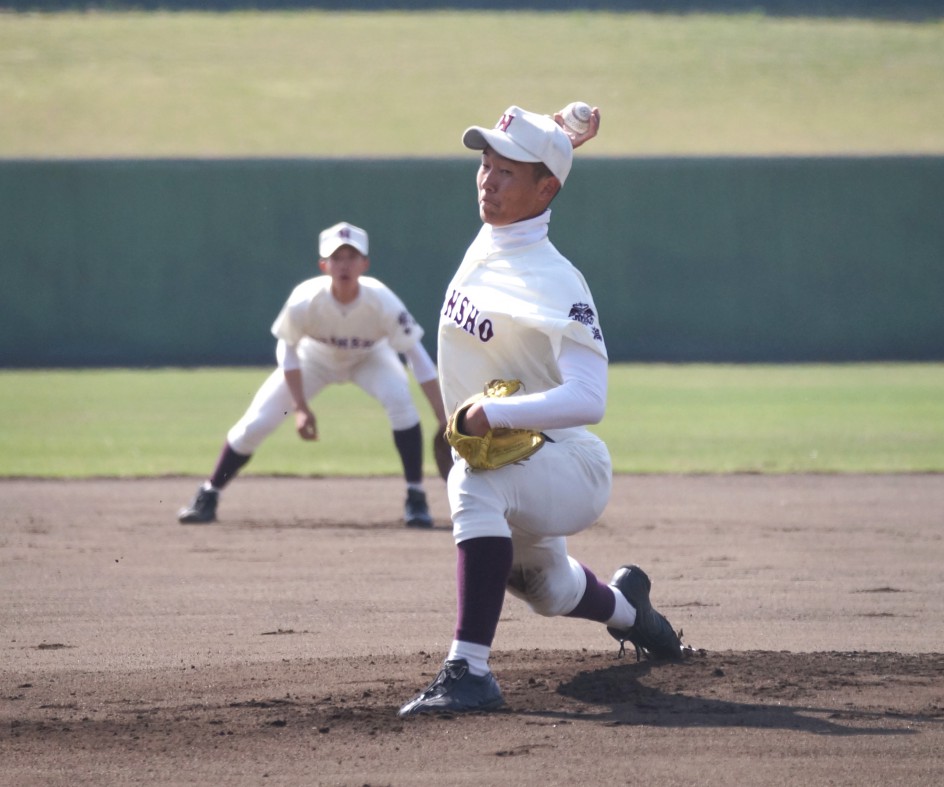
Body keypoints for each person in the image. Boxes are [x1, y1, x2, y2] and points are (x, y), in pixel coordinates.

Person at [398, 105, 684, 717]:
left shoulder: (556, 282)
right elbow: (530, 163)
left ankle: (469, 671)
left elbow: (591, 399)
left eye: (507, 171)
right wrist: (558, 130)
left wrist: (490, 417)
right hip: (520, 461)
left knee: (474, 481)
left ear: (546, 188)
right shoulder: (493, 237)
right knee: (546, 587)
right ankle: (637, 613)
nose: (488, 180)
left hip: (572, 464)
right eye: (486, 163)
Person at [177, 221, 447, 529]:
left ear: (364, 264)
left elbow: (418, 358)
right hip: (313, 360)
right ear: (324, 265)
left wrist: (442, 417)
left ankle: (416, 497)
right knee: (256, 424)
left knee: (401, 402)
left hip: (370, 357)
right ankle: (209, 493)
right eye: (337, 257)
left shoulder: (383, 301)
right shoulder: (305, 299)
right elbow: (287, 351)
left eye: (352, 256)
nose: (344, 264)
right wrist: (301, 408)